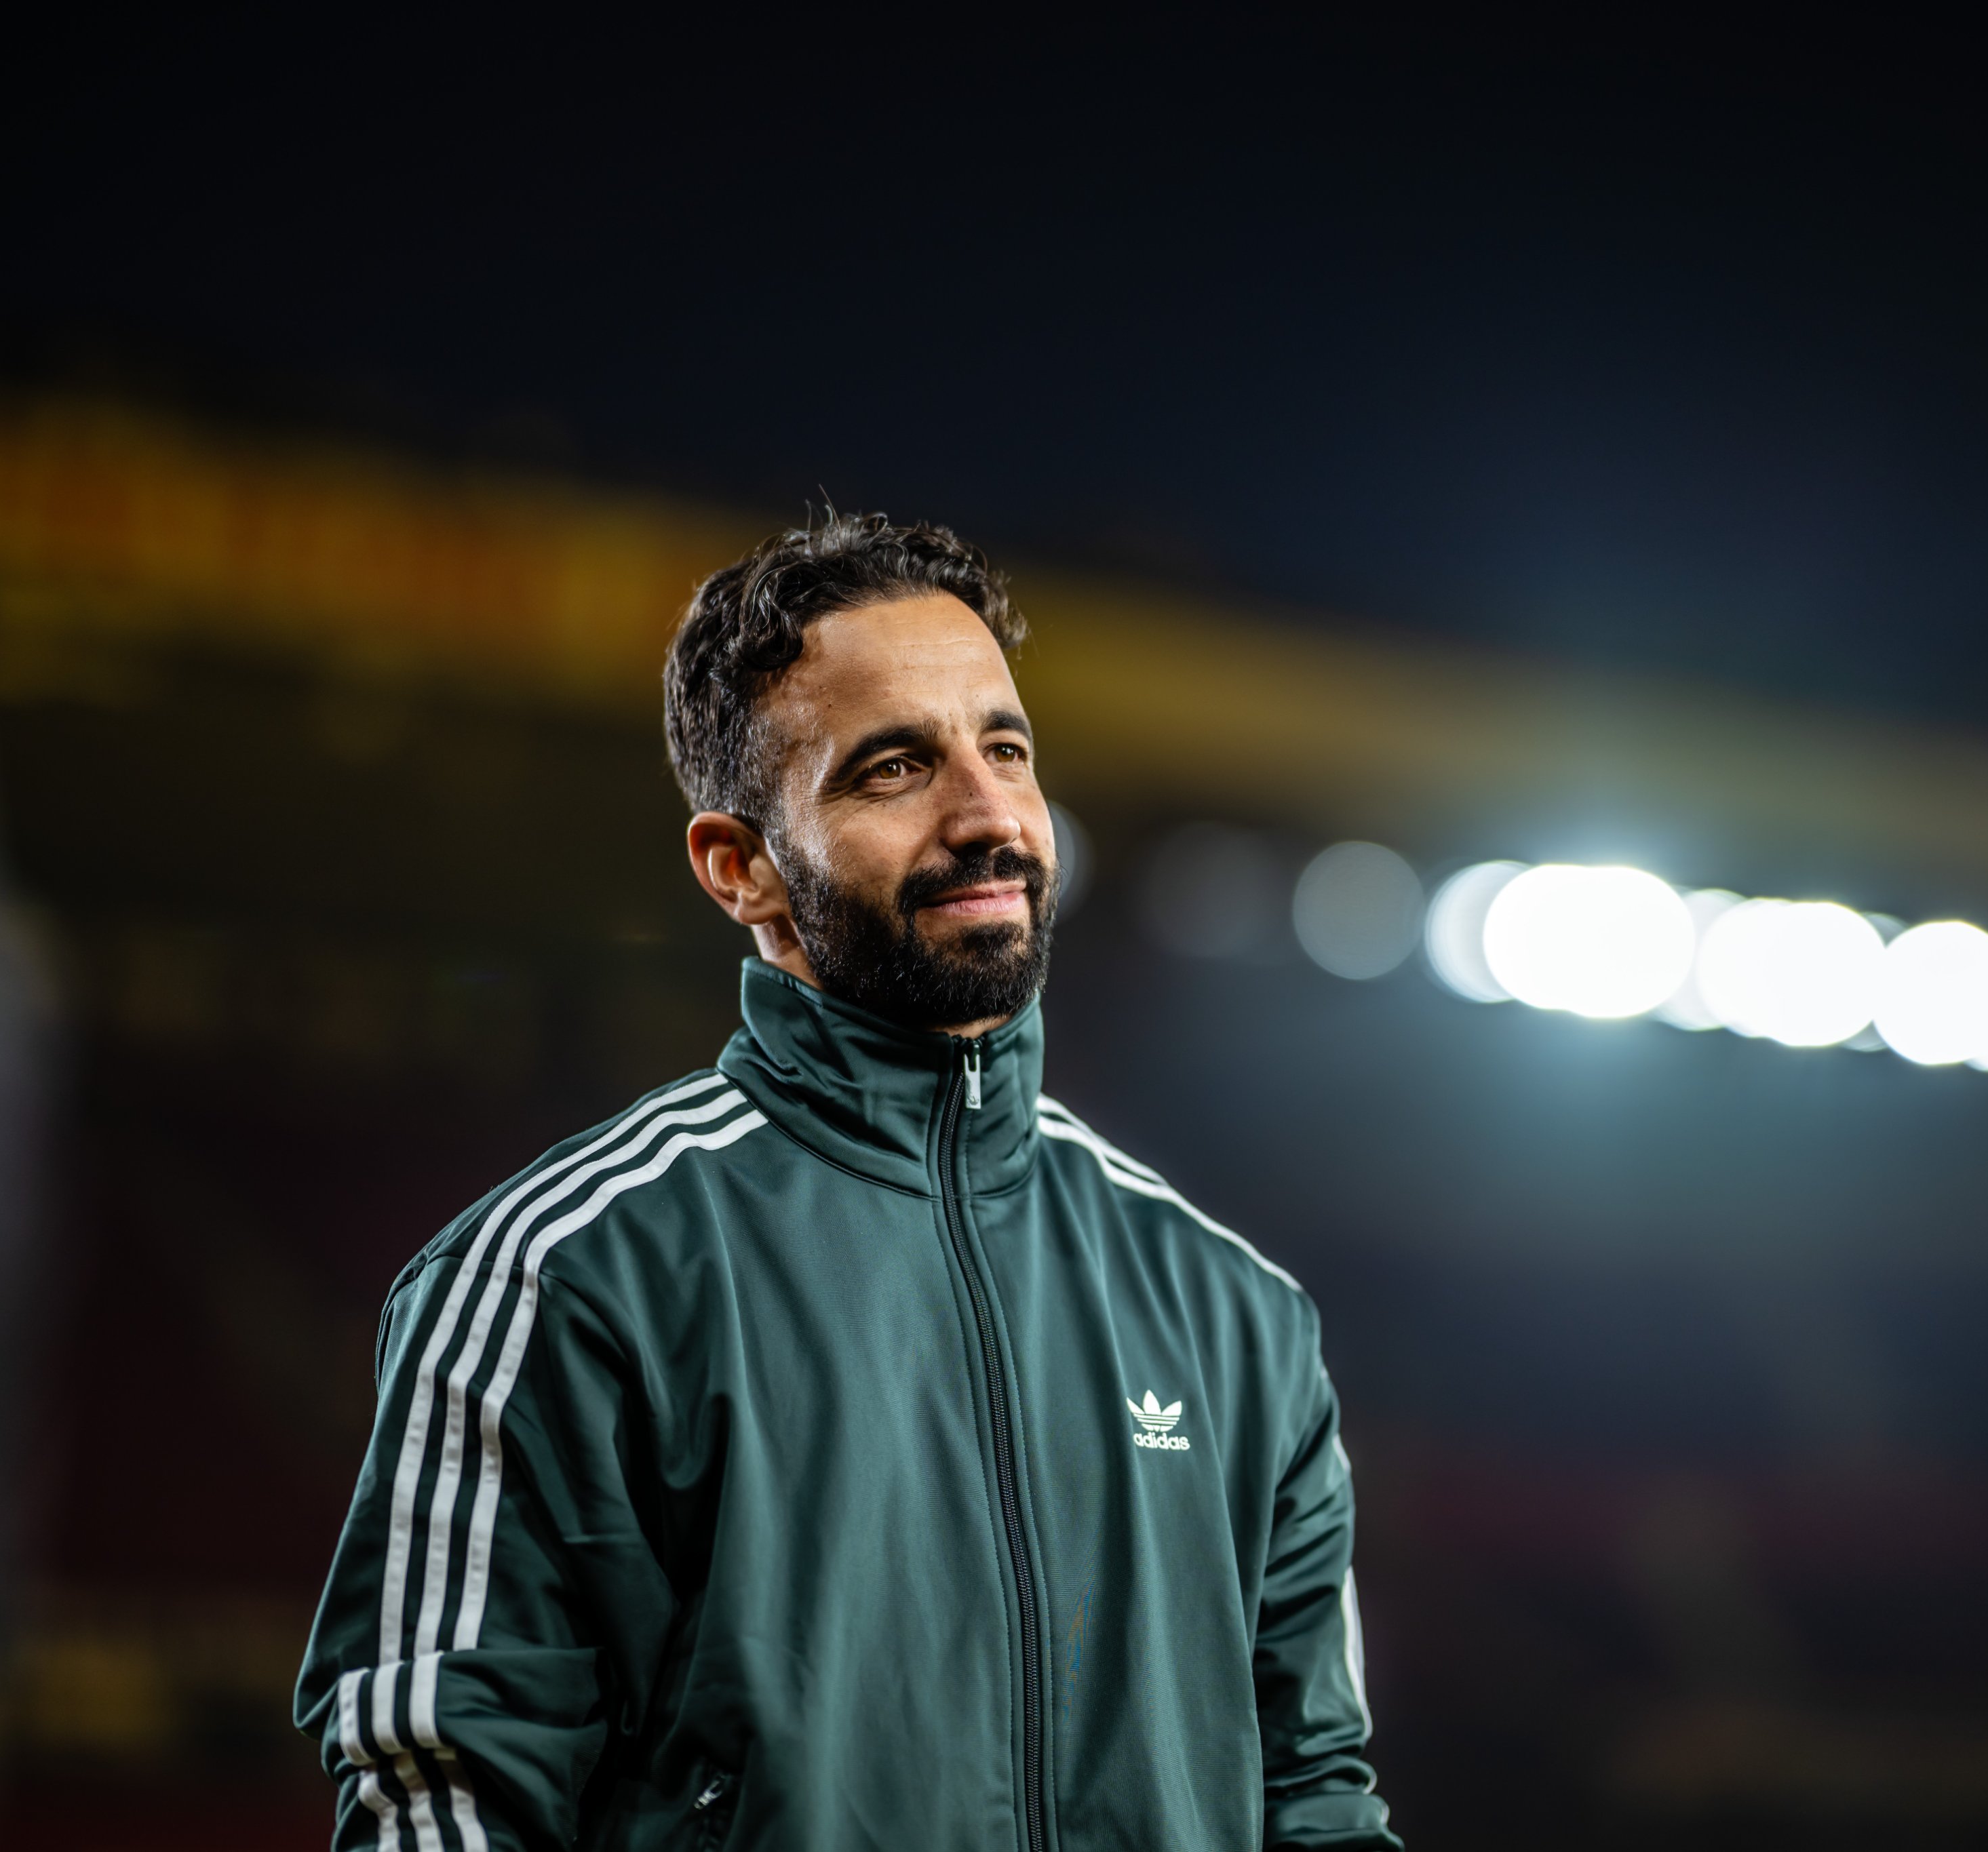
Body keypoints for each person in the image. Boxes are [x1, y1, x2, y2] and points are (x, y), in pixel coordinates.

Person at [296, 513, 1397, 1850]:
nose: (986, 815)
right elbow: (442, 1792)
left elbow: (1315, 1798)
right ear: (741, 868)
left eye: (1005, 748)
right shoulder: (562, 1273)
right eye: (893, 768)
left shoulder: (1233, 1312)